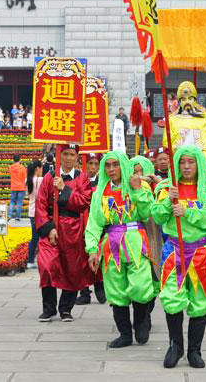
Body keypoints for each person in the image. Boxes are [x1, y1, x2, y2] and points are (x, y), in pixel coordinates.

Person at [153, 145, 206, 369]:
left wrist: (187, 211)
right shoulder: (167, 187)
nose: (186, 166)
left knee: (199, 303)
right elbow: (155, 215)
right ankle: (175, 346)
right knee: (171, 299)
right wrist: (167, 201)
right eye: (182, 162)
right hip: (173, 251)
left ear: (198, 164)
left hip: (201, 253)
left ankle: (195, 350)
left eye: (190, 162)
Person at [85, 151, 157, 349]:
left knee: (141, 286)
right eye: (107, 166)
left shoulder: (138, 186)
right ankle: (125, 333)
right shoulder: (100, 192)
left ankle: (142, 323)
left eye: (115, 165)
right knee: (116, 291)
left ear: (123, 165)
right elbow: (94, 222)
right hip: (111, 244)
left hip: (136, 241)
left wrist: (137, 192)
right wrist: (92, 249)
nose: (111, 170)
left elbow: (149, 213)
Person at [35, 143, 93, 323]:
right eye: (65, 154)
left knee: (72, 270)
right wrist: (49, 227)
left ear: (77, 157)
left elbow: (84, 201)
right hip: (52, 228)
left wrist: (64, 189)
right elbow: (41, 204)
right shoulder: (49, 177)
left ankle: (66, 309)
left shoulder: (82, 178)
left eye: (72, 154)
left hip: (73, 228)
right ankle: (48, 308)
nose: (68, 158)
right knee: (46, 266)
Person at [77, 153, 106, 306]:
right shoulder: (78, 181)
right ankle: (84, 292)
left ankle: (100, 287)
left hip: (96, 224)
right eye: (90, 164)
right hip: (81, 223)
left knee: (97, 256)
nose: (93, 167)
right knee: (82, 258)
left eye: (96, 164)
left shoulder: (102, 183)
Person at [27, 160, 44, 269]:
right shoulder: (40, 180)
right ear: (37, 169)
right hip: (39, 211)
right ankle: (31, 260)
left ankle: (31, 260)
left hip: (31, 211)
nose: (42, 170)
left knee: (34, 237)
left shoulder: (27, 180)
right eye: (41, 168)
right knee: (38, 237)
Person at [10, 154, 27, 221]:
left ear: (13, 160)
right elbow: (25, 178)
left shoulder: (11, 167)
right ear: (20, 159)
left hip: (14, 186)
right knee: (19, 202)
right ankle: (17, 216)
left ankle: (9, 215)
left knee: (12, 201)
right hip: (21, 187)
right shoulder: (23, 168)